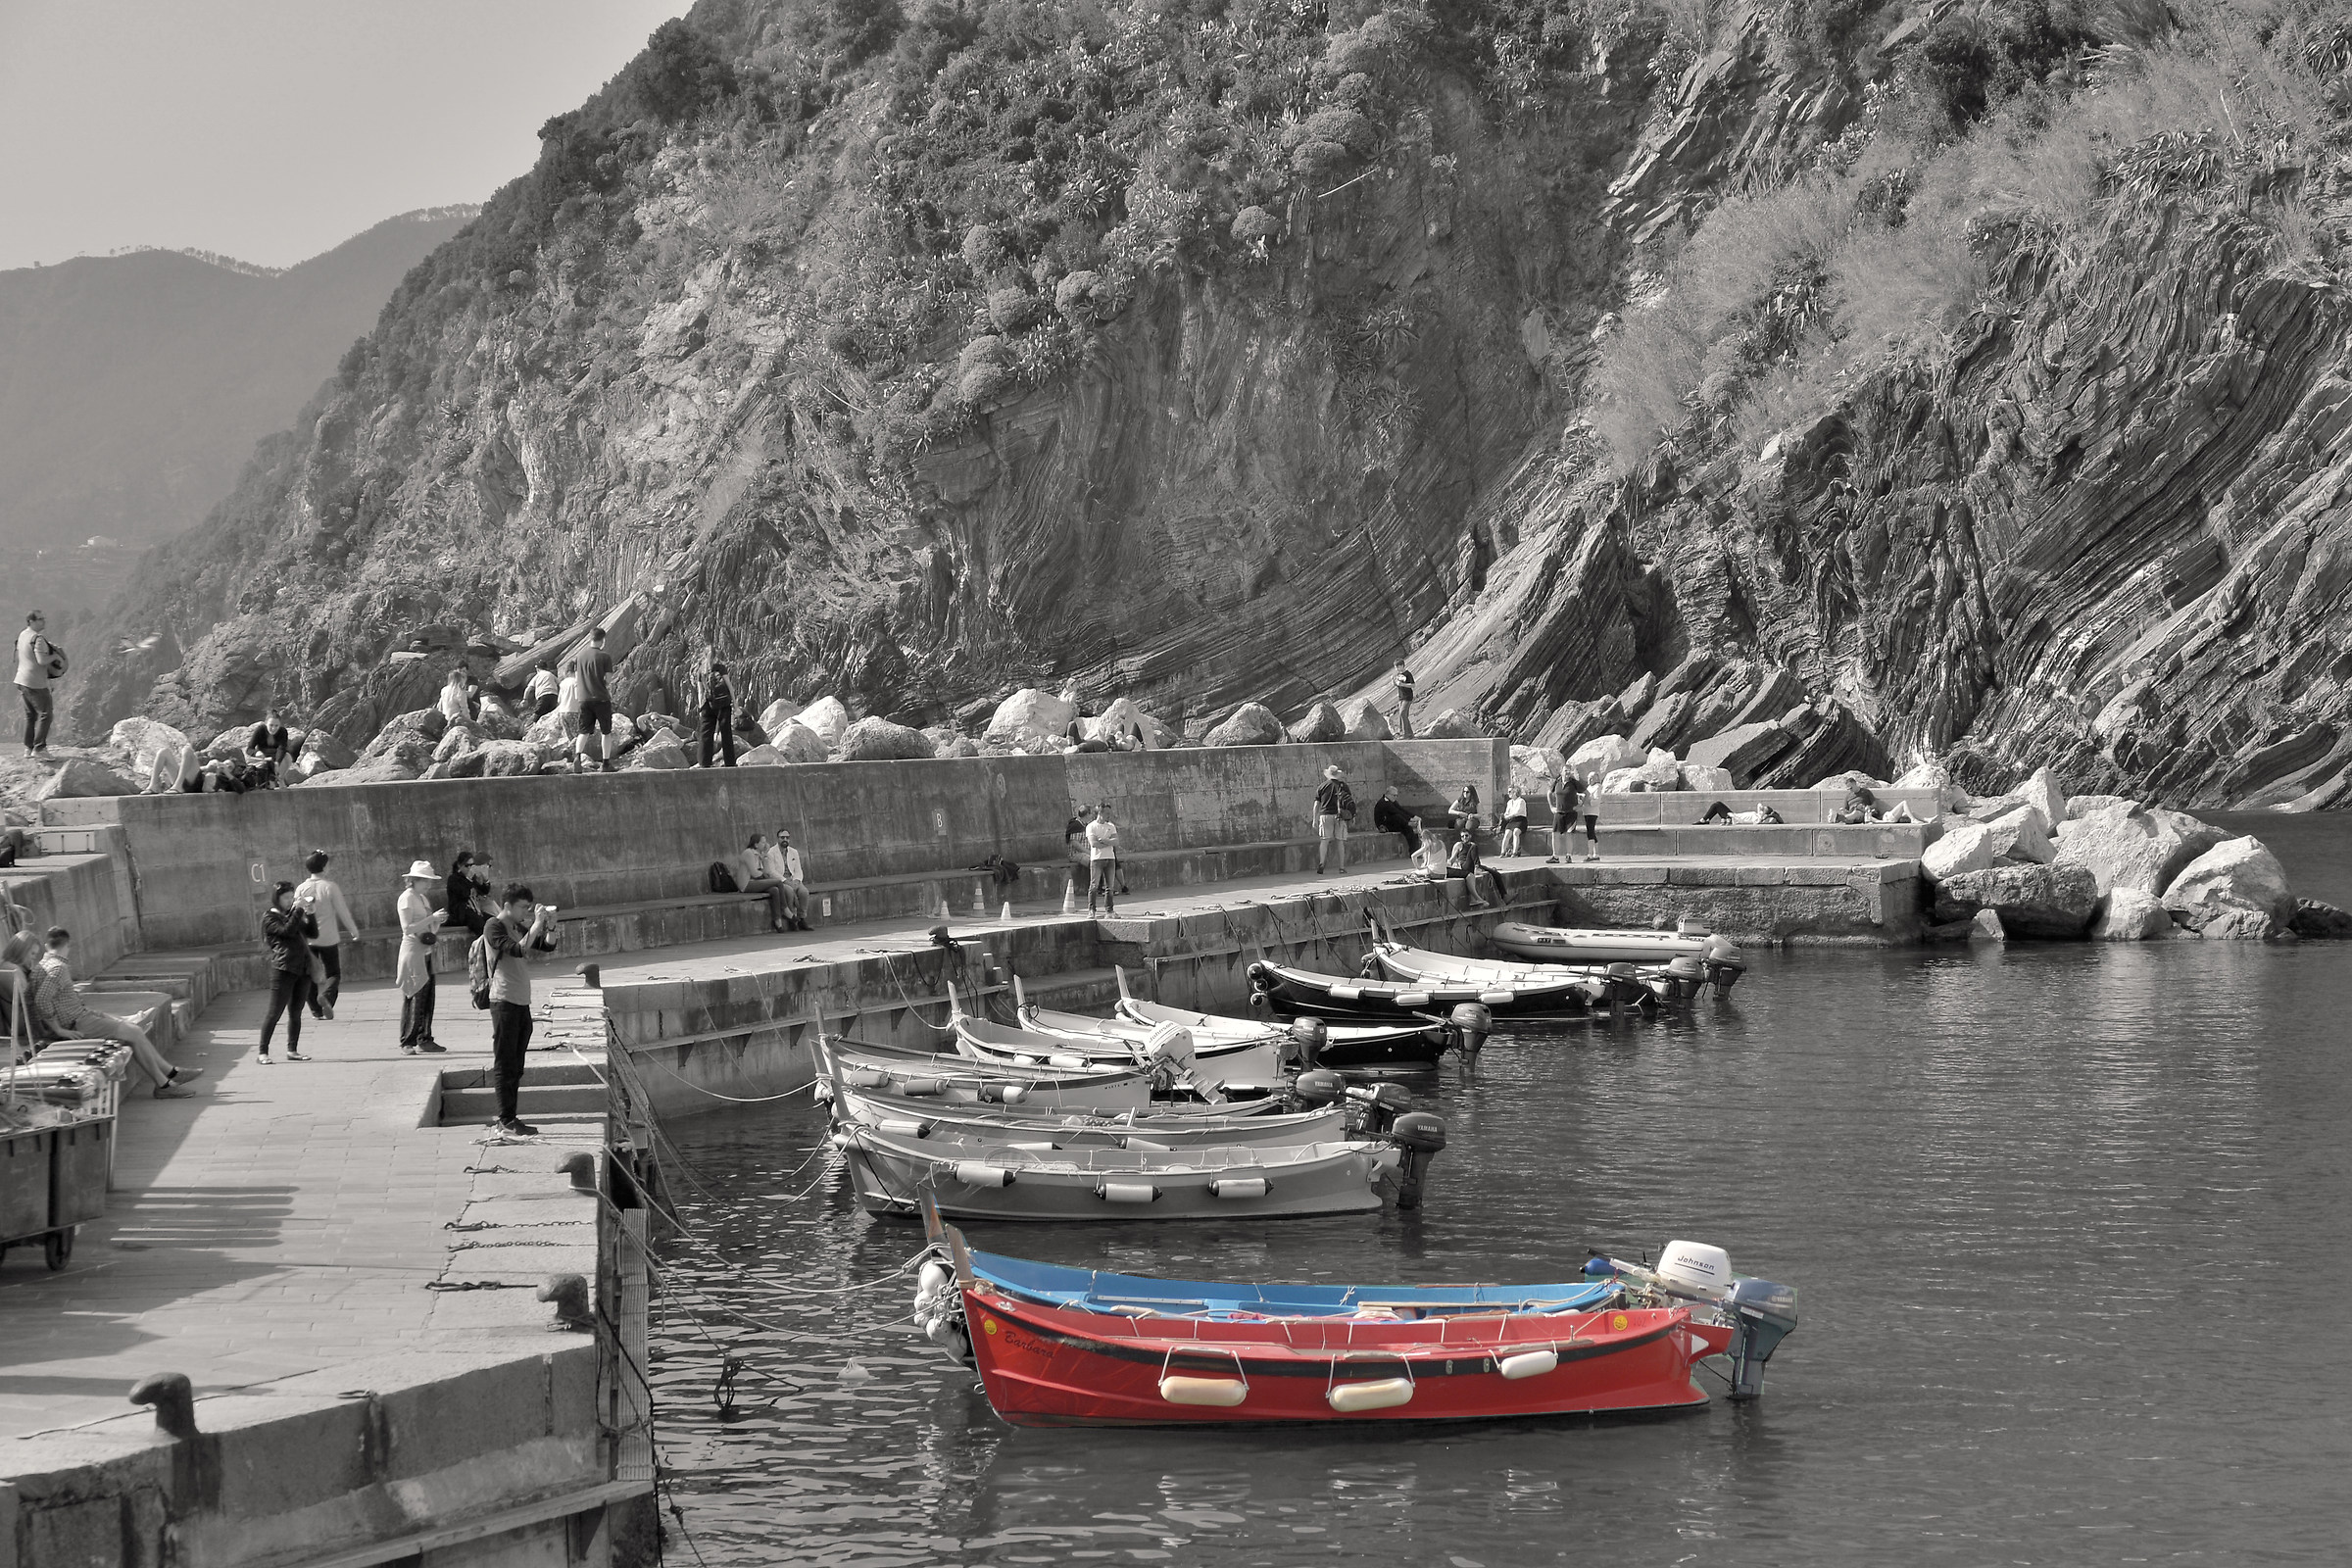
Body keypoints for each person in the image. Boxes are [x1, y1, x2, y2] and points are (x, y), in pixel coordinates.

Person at [30, 927, 203, 1097]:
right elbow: (41, 999)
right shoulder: (59, 968)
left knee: (132, 1031)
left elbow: (44, 1000)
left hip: (78, 1017)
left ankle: (170, 1075)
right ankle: (166, 1083)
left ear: (47, 945)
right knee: (134, 1032)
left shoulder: (40, 967)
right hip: (77, 1023)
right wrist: (59, 1030)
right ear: (68, 945)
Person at [484, 885, 560, 1136]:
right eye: (523, 908)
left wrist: (550, 926)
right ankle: (505, 1119)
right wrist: (537, 922)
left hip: (520, 1002)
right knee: (505, 1063)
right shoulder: (494, 926)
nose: (526, 912)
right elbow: (518, 949)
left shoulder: (517, 926)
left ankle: (511, 1117)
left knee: (516, 1064)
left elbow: (546, 946)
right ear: (507, 906)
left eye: (529, 908)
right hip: (503, 1001)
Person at [258, 882, 317, 1063]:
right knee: (274, 1012)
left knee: (296, 1012)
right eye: (286, 898)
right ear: (277, 898)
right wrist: (298, 910)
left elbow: (313, 933)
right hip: (283, 969)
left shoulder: (293, 914)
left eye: (292, 897)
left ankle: (292, 1050)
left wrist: (311, 913)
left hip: (303, 969)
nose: (290, 901)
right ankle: (262, 1053)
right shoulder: (270, 917)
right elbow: (287, 931)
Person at [295, 851, 356, 1020]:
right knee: (333, 973)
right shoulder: (330, 887)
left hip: (308, 938)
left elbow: (295, 912)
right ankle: (327, 997)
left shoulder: (301, 888)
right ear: (324, 866)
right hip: (329, 938)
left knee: (308, 975)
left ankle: (316, 1010)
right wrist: (353, 930)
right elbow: (342, 910)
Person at [396, 859, 448, 1054]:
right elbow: (407, 928)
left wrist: (437, 921)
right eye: (424, 880)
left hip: (425, 950)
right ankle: (407, 1041)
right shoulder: (407, 898)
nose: (428, 884)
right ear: (414, 880)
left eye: (429, 881)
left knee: (427, 999)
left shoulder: (422, 898)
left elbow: (429, 928)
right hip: (412, 952)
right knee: (414, 996)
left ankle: (424, 1037)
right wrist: (432, 918)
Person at [14, 611, 55, 757]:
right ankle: (40, 748)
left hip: (21, 680)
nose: (44, 621)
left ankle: (28, 748)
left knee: (31, 716)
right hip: (35, 683)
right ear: (31, 621)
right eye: (40, 619)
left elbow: (25, 657)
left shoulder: (23, 635)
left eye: (44, 618)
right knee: (46, 714)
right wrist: (55, 656)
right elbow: (42, 661)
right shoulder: (37, 639)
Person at [576, 627, 617, 771]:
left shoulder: (580, 656)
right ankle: (606, 764)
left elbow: (577, 678)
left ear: (590, 639)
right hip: (600, 698)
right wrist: (602, 684)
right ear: (603, 640)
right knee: (606, 732)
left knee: (584, 731)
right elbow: (608, 679)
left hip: (583, 699)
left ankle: (577, 758)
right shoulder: (604, 656)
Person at [736, 833, 792, 933]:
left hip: (756, 881)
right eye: (763, 842)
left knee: (774, 890)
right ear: (756, 844)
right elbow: (755, 873)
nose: (765, 844)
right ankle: (785, 909)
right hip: (746, 884)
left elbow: (766, 872)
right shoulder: (748, 853)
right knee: (778, 882)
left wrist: (765, 856)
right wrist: (764, 875)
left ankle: (777, 921)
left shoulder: (759, 854)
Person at [1547, 765, 1597, 863]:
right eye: (1565, 771)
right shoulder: (1557, 782)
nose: (1567, 773)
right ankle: (1555, 856)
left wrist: (1580, 806)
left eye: (1569, 771)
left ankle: (1568, 855)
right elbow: (1549, 793)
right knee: (1555, 834)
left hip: (1571, 813)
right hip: (1559, 812)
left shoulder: (1574, 783)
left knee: (1569, 834)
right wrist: (1551, 806)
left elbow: (1586, 794)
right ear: (1561, 772)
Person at [1313, 764, 1355, 875]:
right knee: (1340, 841)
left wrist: (1314, 819)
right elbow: (1349, 802)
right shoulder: (1343, 786)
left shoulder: (1322, 786)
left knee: (1324, 840)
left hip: (1325, 815)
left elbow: (1316, 804)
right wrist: (1352, 816)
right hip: (1340, 816)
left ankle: (1322, 863)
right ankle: (1341, 867)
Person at [766, 828, 811, 930]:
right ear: (778, 839)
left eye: (787, 837)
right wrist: (785, 881)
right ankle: (792, 919)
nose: (785, 839)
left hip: (793, 879)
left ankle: (802, 918)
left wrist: (797, 880)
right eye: (782, 837)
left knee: (804, 892)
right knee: (790, 892)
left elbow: (798, 869)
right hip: (781, 880)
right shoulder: (771, 853)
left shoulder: (793, 852)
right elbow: (772, 872)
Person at [445, 850, 495, 938]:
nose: (470, 868)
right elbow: (463, 894)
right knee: (482, 927)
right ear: (459, 866)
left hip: (475, 911)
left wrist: (486, 879)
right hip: (462, 914)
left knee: (494, 921)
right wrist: (468, 878)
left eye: (472, 865)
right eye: (467, 865)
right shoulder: (453, 879)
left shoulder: (472, 879)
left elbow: (484, 891)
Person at [699, 662, 739, 768]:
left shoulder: (701, 670)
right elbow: (730, 687)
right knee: (726, 733)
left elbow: (700, 691)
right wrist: (736, 705)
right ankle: (730, 763)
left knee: (706, 734)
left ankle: (705, 762)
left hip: (708, 703)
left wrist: (701, 707)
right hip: (723, 703)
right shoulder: (720, 668)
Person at [1445, 830, 1496, 908]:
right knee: (1474, 846)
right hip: (1464, 865)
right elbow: (1452, 858)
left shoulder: (1471, 846)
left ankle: (1473, 899)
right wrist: (1451, 864)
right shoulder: (1459, 844)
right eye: (1462, 836)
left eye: (1466, 835)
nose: (1464, 838)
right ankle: (1477, 867)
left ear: (1470, 836)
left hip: (1470, 866)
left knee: (1492, 872)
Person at [1085, 803, 1120, 915]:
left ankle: (1109, 910)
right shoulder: (1091, 826)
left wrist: (1104, 840)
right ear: (1100, 813)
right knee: (1094, 885)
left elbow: (1116, 842)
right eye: (1107, 813)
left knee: (1110, 886)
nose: (1109, 815)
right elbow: (1094, 843)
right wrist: (1108, 842)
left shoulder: (1111, 826)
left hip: (1110, 859)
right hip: (1097, 859)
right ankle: (1091, 909)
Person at [247, 710, 294, 786]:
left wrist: (277, 762)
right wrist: (256, 752)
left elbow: (282, 748)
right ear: (266, 724)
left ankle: (280, 778)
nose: (273, 728)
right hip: (263, 756)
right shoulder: (260, 730)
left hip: (276, 754)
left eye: (276, 726)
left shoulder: (283, 731)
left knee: (288, 757)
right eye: (271, 725)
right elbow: (249, 749)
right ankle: (268, 781)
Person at [557, 660, 586, 772]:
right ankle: (569, 751)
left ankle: (572, 758)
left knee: (570, 735)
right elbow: (579, 698)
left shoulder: (563, 683)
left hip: (562, 711)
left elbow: (559, 700)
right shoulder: (576, 682)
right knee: (579, 735)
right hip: (573, 711)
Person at [1372, 785, 1417, 855]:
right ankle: (1408, 825)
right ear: (1388, 794)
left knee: (1409, 830)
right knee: (1397, 816)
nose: (1395, 797)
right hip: (1385, 825)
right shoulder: (1384, 803)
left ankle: (1414, 852)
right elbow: (1396, 811)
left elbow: (1401, 809)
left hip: (1393, 823)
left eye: (1396, 795)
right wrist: (1409, 820)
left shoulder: (1392, 801)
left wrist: (1413, 816)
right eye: (1394, 795)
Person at [1500, 788, 1529, 857]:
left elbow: (1517, 812)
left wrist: (1509, 816)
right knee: (1507, 834)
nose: (1509, 793)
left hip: (1520, 820)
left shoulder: (1521, 801)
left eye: (1510, 792)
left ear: (1515, 792)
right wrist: (1505, 815)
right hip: (1512, 820)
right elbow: (1507, 811)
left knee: (1516, 832)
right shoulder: (1509, 802)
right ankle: (1503, 851)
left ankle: (1515, 852)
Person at [1391, 662, 1415, 741]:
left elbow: (1413, 685)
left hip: (1408, 697)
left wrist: (1403, 685)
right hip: (1401, 697)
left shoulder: (1408, 674)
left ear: (1401, 666)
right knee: (1403, 715)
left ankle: (1405, 734)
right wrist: (1393, 681)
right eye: (1395, 667)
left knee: (1402, 713)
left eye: (1397, 667)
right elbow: (1397, 685)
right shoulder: (1398, 675)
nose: (1396, 669)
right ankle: (1410, 734)